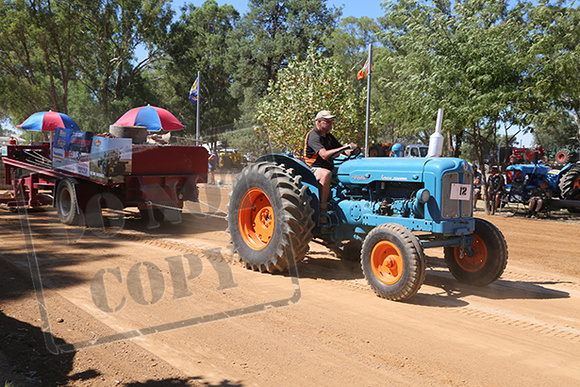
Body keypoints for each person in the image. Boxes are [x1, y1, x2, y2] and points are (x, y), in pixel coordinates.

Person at [303, 110, 357, 222]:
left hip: (329, 166)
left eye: (331, 121)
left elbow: (342, 150)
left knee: (350, 172)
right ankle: (323, 209)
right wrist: (343, 148)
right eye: (327, 121)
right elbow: (324, 155)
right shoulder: (313, 136)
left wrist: (351, 149)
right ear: (319, 122)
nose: (330, 124)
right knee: (326, 174)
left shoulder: (328, 137)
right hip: (312, 168)